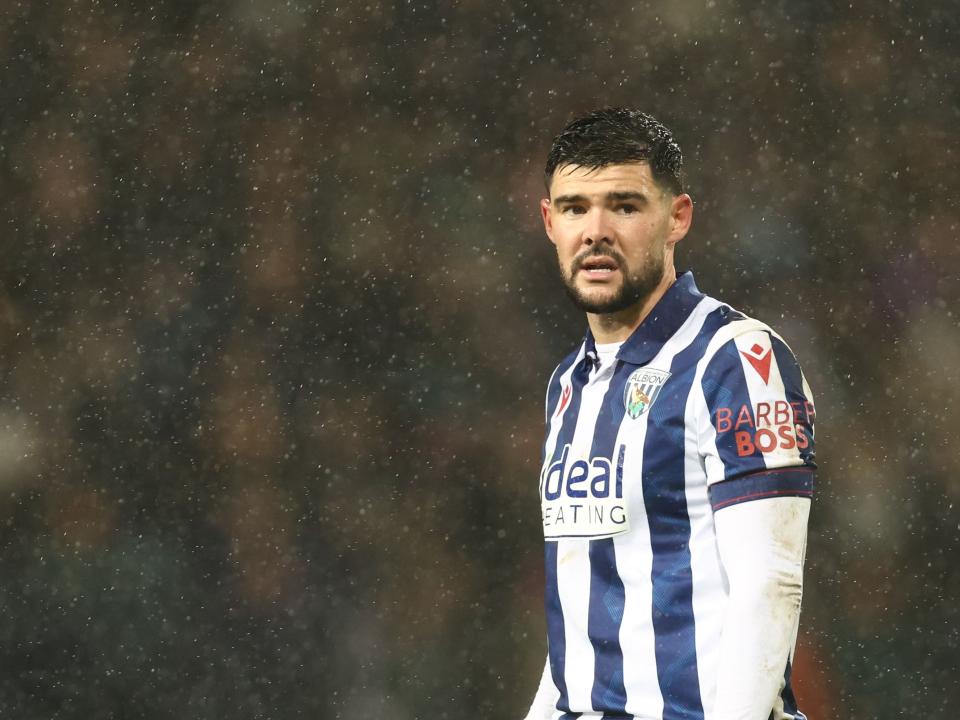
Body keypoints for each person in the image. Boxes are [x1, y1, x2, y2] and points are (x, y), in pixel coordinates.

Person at [524, 108, 817, 720]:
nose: (596, 230)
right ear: (550, 222)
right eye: (576, 208)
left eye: (624, 206)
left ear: (676, 217)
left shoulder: (736, 360)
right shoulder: (568, 383)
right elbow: (578, 624)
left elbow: (769, 585)